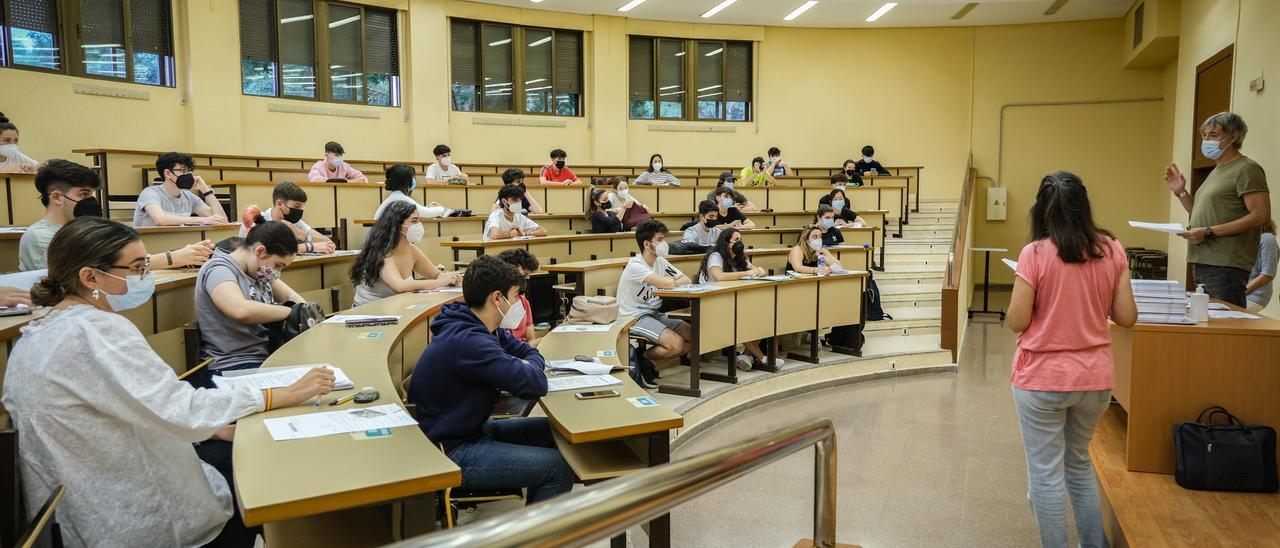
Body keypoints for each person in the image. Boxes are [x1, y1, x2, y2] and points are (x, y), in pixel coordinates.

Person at [2, 216, 333, 548]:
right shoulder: (97, 331)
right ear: (90, 277)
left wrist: (216, 427)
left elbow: (132, 403)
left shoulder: (40, 331)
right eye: (135, 269)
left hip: (79, 508)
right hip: (131, 511)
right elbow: (180, 408)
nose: (145, 277)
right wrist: (280, 395)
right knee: (257, 472)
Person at [1005, 171, 1137, 548]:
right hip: (1094, 381)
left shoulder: (1035, 254)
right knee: (1078, 462)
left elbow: (1017, 319)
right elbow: (1126, 316)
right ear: (1084, 206)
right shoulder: (1111, 248)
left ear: (1040, 209)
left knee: (1045, 475)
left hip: (1042, 378)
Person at [408, 255, 575, 504]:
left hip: (472, 430)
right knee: (557, 467)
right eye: (516, 295)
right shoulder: (469, 341)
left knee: (555, 432)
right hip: (451, 450)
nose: (520, 302)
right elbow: (534, 383)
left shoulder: (483, 325)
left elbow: (527, 351)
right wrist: (529, 364)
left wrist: (529, 362)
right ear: (497, 298)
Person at [21, 159, 214, 271]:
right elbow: (98, 270)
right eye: (84, 195)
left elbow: (120, 258)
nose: (91, 201)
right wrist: (172, 259)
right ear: (56, 197)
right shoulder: (40, 237)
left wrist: (184, 259)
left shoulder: (89, 230)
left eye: (92, 194)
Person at [1164, 112, 1271, 307]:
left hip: (1226, 264)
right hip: (1203, 260)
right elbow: (1198, 212)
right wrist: (1181, 192)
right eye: (1204, 135)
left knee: (1226, 326)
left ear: (1233, 137)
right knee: (1208, 324)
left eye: (1213, 135)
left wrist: (1209, 232)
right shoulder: (1216, 171)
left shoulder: (1246, 169)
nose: (1206, 140)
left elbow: (1261, 215)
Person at [195, 219, 308, 375]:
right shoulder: (218, 269)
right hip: (233, 365)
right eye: (278, 265)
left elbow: (292, 297)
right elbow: (240, 310)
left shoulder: (259, 271)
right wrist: (292, 312)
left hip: (264, 358)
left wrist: (305, 309)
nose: (276, 272)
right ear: (260, 251)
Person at [617, 220, 692, 388]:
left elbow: (685, 279)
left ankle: (646, 363)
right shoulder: (636, 265)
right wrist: (670, 282)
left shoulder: (660, 262)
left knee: (694, 336)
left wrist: (670, 281)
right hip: (633, 317)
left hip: (654, 314)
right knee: (676, 344)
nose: (664, 243)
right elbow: (668, 284)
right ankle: (642, 359)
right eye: (659, 239)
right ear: (647, 244)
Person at [696, 228, 779, 370]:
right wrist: (746, 273)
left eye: (740, 239)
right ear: (726, 242)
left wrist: (759, 270)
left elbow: (754, 270)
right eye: (736, 240)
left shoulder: (739, 256)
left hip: (733, 299)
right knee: (743, 321)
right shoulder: (716, 256)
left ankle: (745, 356)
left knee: (763, 318)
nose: (739, 243)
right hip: (712, 302)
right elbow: (720, 276)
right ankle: (763, 358)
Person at [351, 201, 461, 306]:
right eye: (414, 221)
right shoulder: (383, 252)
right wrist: (441, 282)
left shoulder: (411, 249)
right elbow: (400, 286)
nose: (418, 225)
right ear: (397, 224)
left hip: (393, 306)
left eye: (418, 220)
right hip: (369, 312)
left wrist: (450, 277)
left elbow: (436, 274)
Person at [238, 181, 336, 254]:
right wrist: (308, 246)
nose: (300, 211)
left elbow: (328, 243)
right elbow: (264, 253)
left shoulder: (294, 223)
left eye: (302, 207)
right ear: (280, 204)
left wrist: (303, 235)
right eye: (297, 206)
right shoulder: (256, 220)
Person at [134, 152, 229, 227]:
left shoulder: (189, 197)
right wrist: (202, 220)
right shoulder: (150, 193)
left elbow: (221, 219)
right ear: (168, 173)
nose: (187, 174)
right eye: (183, 170)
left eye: (189, 170)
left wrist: (206, 190)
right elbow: (160, 219)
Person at [374, 164, 455, 220]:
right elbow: (426, 213)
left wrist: (427, 208)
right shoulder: (402, 199)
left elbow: (419, 210)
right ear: (406, 181)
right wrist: (442, 208)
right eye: (412, 178)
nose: (414, 180)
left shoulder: (395, 197)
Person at [497, 248, 542, 346]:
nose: (525, 281)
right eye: (524, 274)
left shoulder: (524, 302)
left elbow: (531, 340)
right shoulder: (496, 306)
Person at [1246, 220, 1277, 312]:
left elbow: (1267, 275)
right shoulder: (1247, 242)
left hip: (1254, 295)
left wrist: (1242, 292)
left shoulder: (1267, 238)